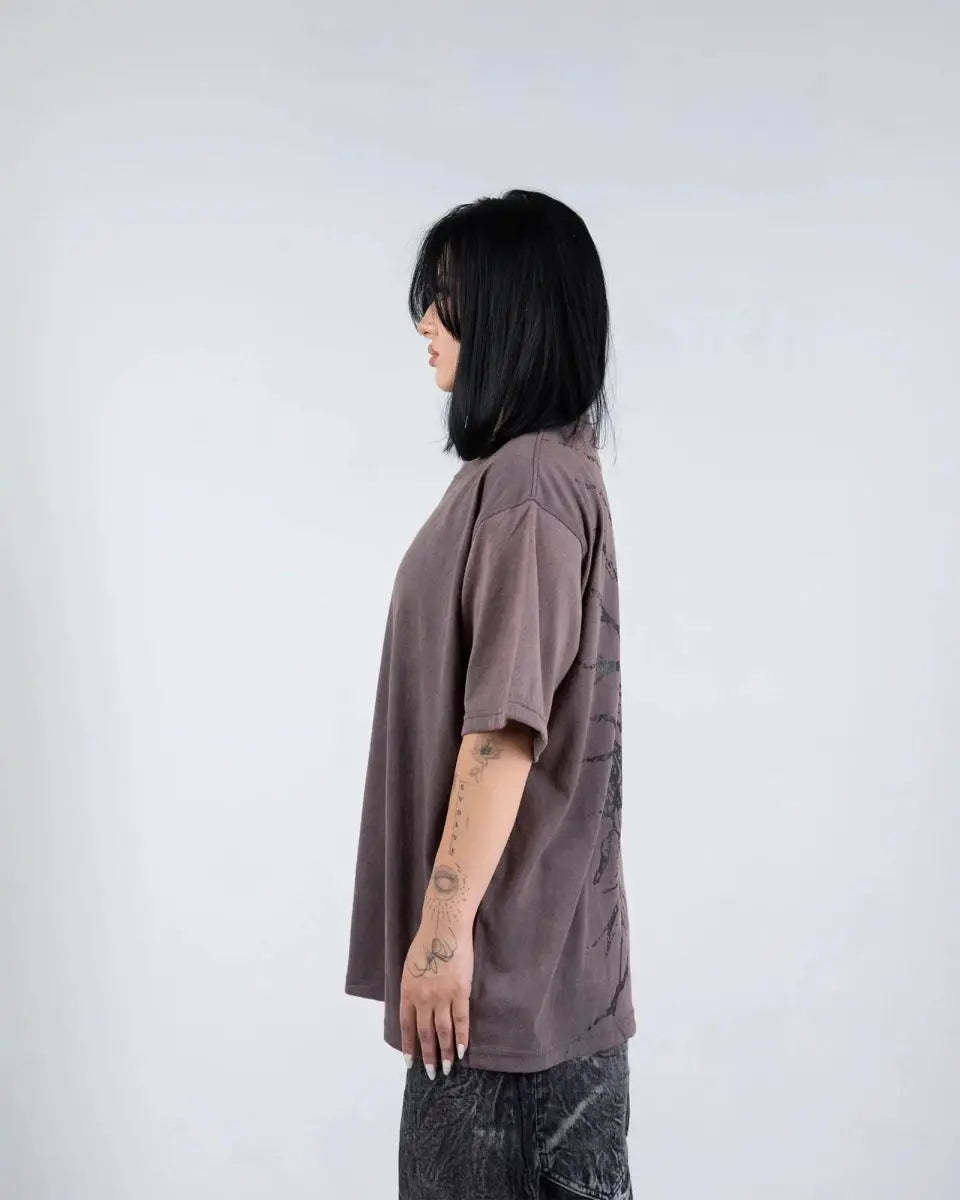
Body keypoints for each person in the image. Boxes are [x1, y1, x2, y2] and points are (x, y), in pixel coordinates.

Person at [344, 189, 635, 1200]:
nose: (425, 321)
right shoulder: (530, 476)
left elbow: (505, 731)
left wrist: (440, 935)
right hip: (529, 993)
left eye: (448, 298)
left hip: (501, 1007)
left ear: (510, 314)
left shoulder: (528, 486)